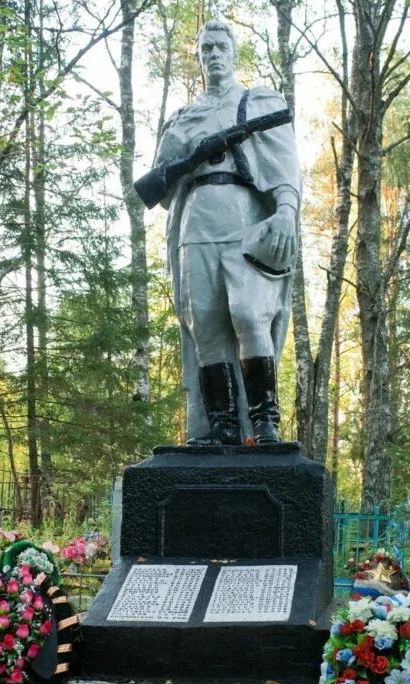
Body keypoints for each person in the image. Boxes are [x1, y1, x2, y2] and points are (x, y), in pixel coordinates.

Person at [154, 19, 302, 445]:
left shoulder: (258, 103)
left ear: (234, 53)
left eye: (221, 46)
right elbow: (161, 187)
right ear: (199, 58)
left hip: (245, 220)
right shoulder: (184, 116)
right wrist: (188, 153)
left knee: (250, 315)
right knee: (206, 323)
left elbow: (284, 164)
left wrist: (287, 210)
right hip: (196, 223)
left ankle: (264, 421)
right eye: (206, 49)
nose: (214, 55)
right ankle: (219, 423)